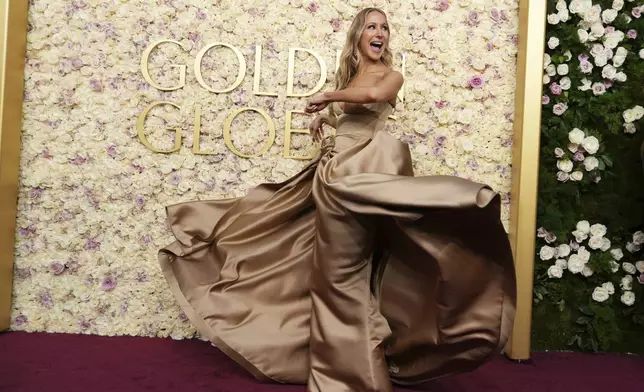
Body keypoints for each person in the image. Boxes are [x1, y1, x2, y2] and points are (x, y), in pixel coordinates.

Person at [159, 7, 516, 392]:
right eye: (371, 27)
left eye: (384, 27)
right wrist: (325, 118)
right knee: (315, 265)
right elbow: (351, 113)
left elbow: (376, 96)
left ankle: (351, 377)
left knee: (343, 276)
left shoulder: (390, 76)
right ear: (357, 36)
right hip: (335, 174)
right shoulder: (353, 78)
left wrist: (329, 96)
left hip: (362, 179)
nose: (379, 33)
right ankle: (341, 368)